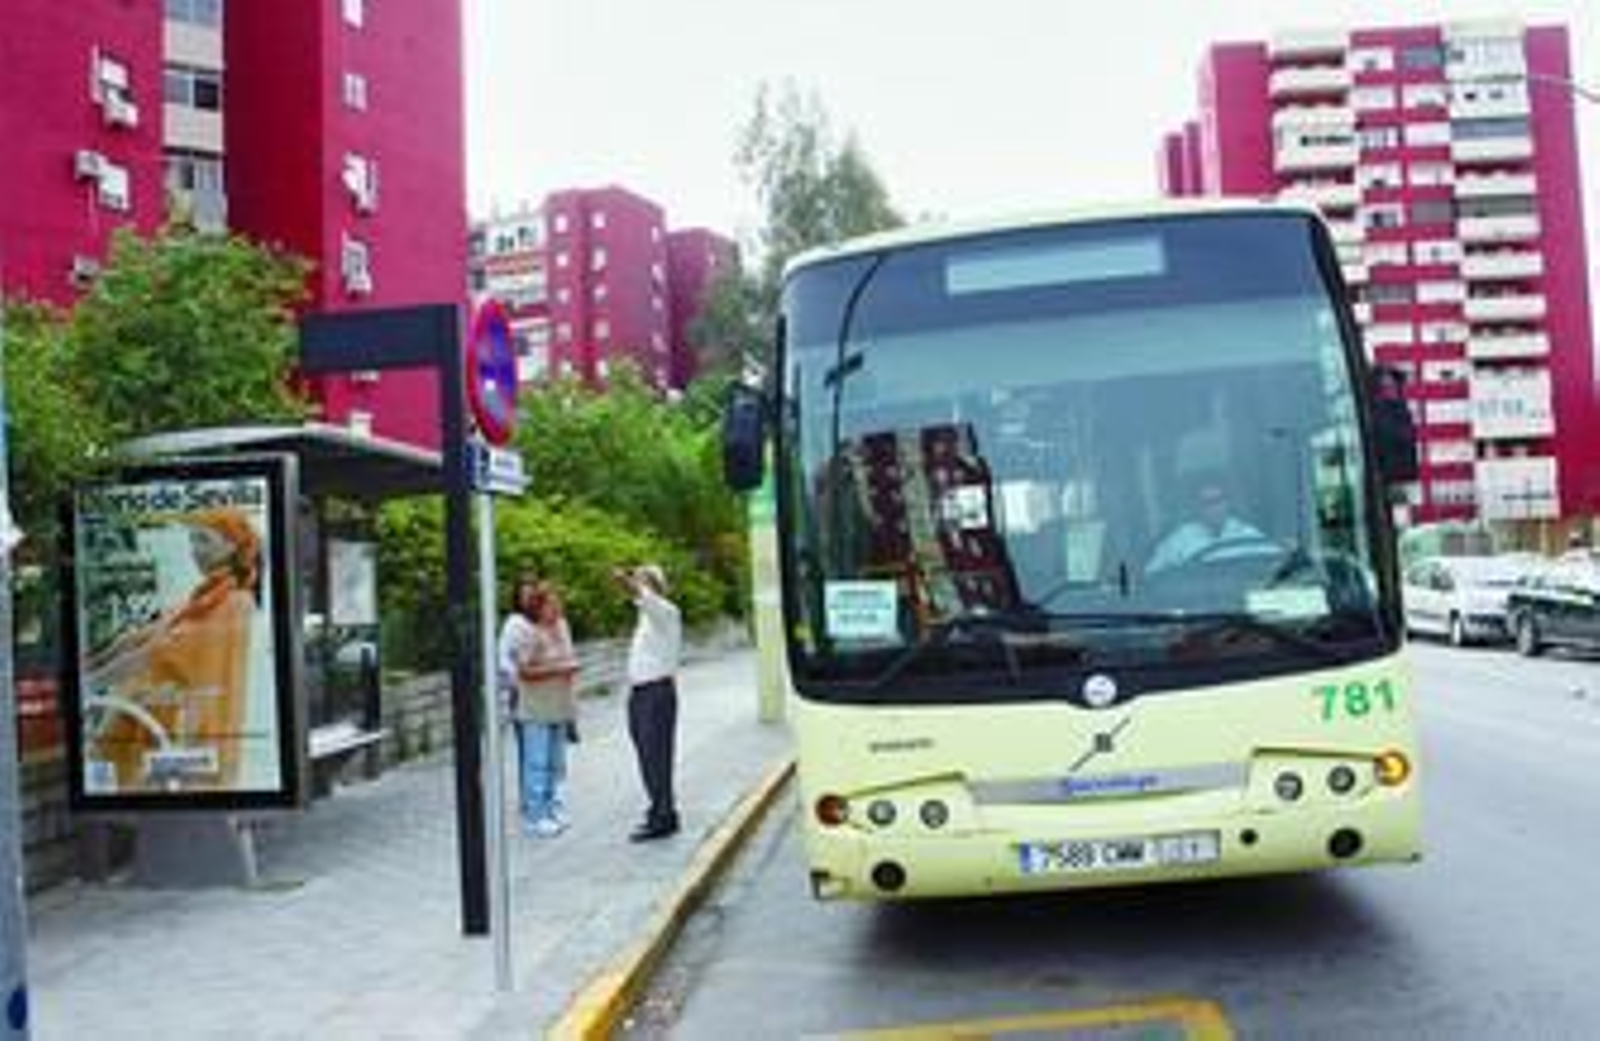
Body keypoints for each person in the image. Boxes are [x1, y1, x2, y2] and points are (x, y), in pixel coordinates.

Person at [82, 508, 261, 793]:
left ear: (231, 546)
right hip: (173, 739)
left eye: (204, 541)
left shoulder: (232, 603)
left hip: (190, 742)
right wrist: (93, 665)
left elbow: (154, 653)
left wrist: (91, 683)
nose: (195, 551)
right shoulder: (202, 600)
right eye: (192, 541)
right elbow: (138, 640)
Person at [498, 577, 579, 837]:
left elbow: (569, 657)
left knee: (556, 763)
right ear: (539, 607)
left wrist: (568, 669)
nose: (557, 609)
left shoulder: (562, 627)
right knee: (537, 762)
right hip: (536, 706)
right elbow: (525, 671)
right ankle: (535, 816)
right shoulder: (529, 631)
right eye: (551, 605)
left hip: (559, 704)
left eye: (558, 604)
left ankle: (551, 808)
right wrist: (560, 668)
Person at [615, 563, 683, 842]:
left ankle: (663, 817)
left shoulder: (665, 612)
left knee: (656, 756)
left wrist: (625, 580)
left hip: (656, 693)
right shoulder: (647, 617)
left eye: (642, 581)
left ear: (653, 585)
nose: (637, 587)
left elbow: (643, 596)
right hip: (642, 692)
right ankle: (660, 809)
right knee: (647, 754)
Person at [1145, 481, 1268, 574]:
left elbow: (1276, 565)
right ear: (1197, 507)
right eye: (1207, 503)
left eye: (1218, 500)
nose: (1214, 508)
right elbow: (1153, 575)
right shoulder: (1180, 540)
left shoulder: (1248, 535)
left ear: (1228, 503)